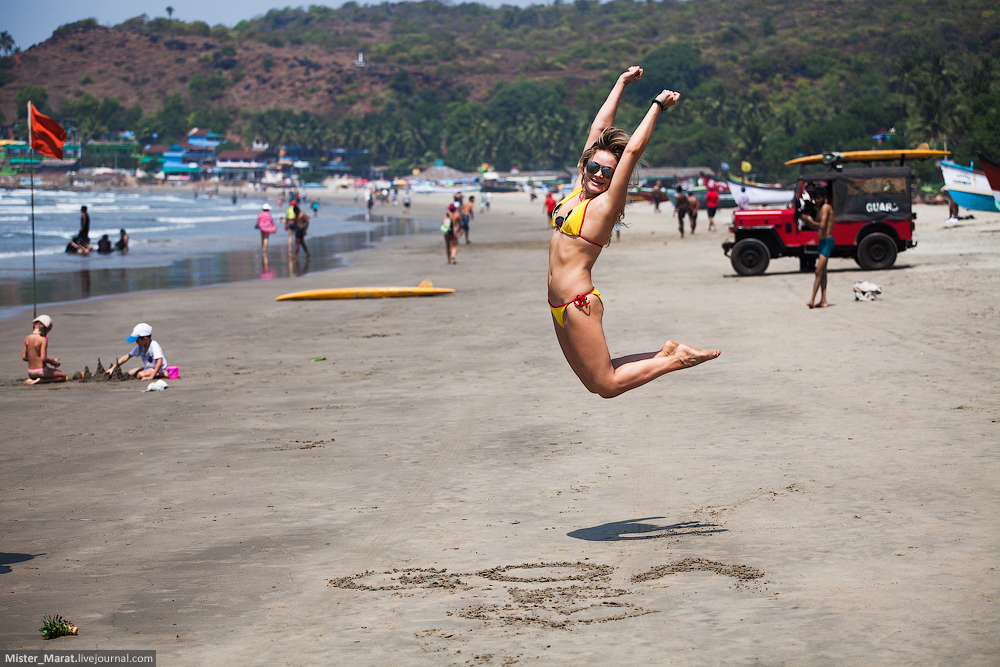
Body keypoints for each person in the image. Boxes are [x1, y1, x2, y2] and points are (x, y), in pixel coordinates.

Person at [547, 66, 720, 398]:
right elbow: (599, 128)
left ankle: (675, 359)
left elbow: (632, 152)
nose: (598, 175)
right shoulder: (575, 190)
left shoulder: (604, 205)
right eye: (594, 167)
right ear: (585, 165)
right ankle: (666, 354)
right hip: (556, 304)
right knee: (594, 383)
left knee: (607, 385)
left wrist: (656, 105)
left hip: (577, 302)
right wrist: (621, 82)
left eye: (607, 172)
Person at [800, 186, 834, 309]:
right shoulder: (820, 209)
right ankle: (823, 300)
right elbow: (815, 226)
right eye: (815, 199)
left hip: (828, 242)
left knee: (818, 271)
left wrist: (810, 221)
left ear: (824, 197)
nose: (817, 201)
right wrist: (806, 220)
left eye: (819, 198)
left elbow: (822, 225)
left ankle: (812, 299)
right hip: (822, 241)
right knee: (823, 273)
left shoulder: (825, 208)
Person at [22, 315, 66, 385]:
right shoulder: (43, 340)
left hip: (30, 372)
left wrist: (34, 359)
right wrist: (53, 362)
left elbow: (24, 357)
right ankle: (40, 381)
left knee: (40, 373)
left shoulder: (27, 338)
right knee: (63, 376)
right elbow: (43, 358)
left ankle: (33, 379)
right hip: (41, 371)